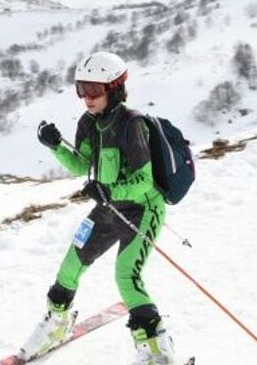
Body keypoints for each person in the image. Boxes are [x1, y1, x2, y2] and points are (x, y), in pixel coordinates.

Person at [20, 51, 176, 365]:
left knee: (126, 275)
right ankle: (58, 324)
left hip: (143, 210)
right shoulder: (89, 123)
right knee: (71, 264)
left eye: (94, 90)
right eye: (82, 89)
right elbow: (81, 165)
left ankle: (156, 352)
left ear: (114, 89)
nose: (87, 97)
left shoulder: (132, 124)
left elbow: (144, 180)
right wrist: (56, 145)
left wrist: (109, 190)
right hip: (110, 207)